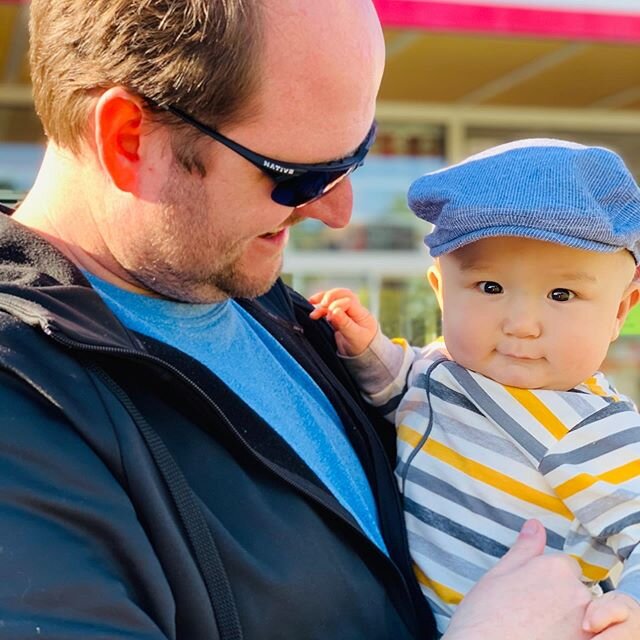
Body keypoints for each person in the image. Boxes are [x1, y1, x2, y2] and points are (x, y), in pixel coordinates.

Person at [0, 0, 594, 637]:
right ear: (127, 138)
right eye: (298, 176)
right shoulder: (25, 403)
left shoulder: (263, 302)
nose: (338, 211)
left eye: (354, 158)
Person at [310, 138, 640, 638]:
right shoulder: (447, 367)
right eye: (490, 288)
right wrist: (364, 347)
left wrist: (630, 609)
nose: (522, 324)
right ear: (441, 291)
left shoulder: (593, 428)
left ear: (621, 309)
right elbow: (401, 386)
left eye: (562, 294)